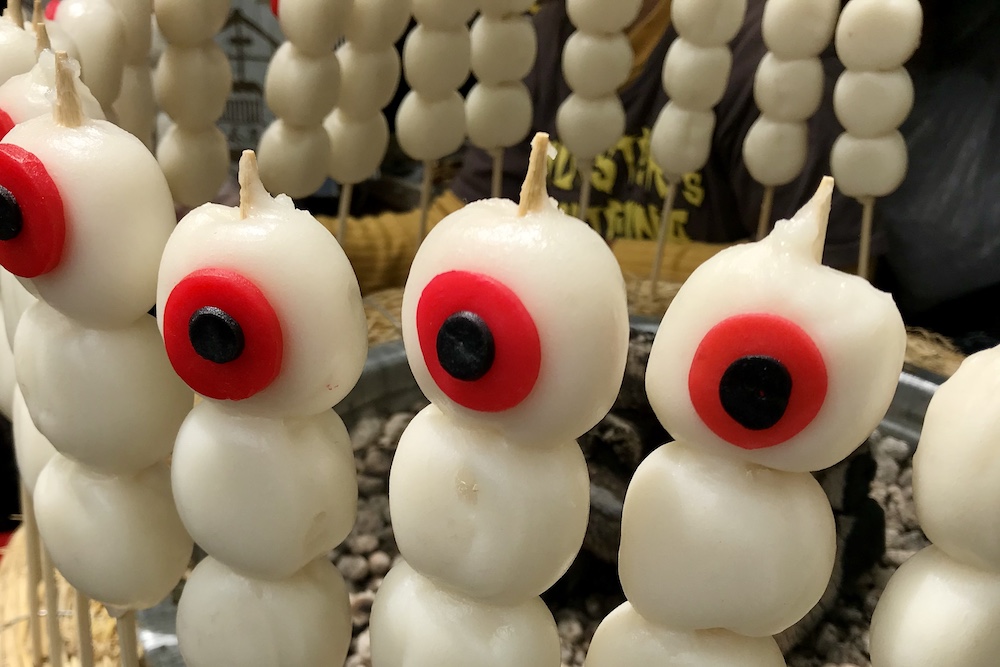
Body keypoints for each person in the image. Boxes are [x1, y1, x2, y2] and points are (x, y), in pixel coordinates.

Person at [327, 0, 867, 295]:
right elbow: (468, 222)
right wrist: (320, 245)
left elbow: (827, 274)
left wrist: (573, 257)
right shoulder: (539, 34)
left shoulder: (775, 56)